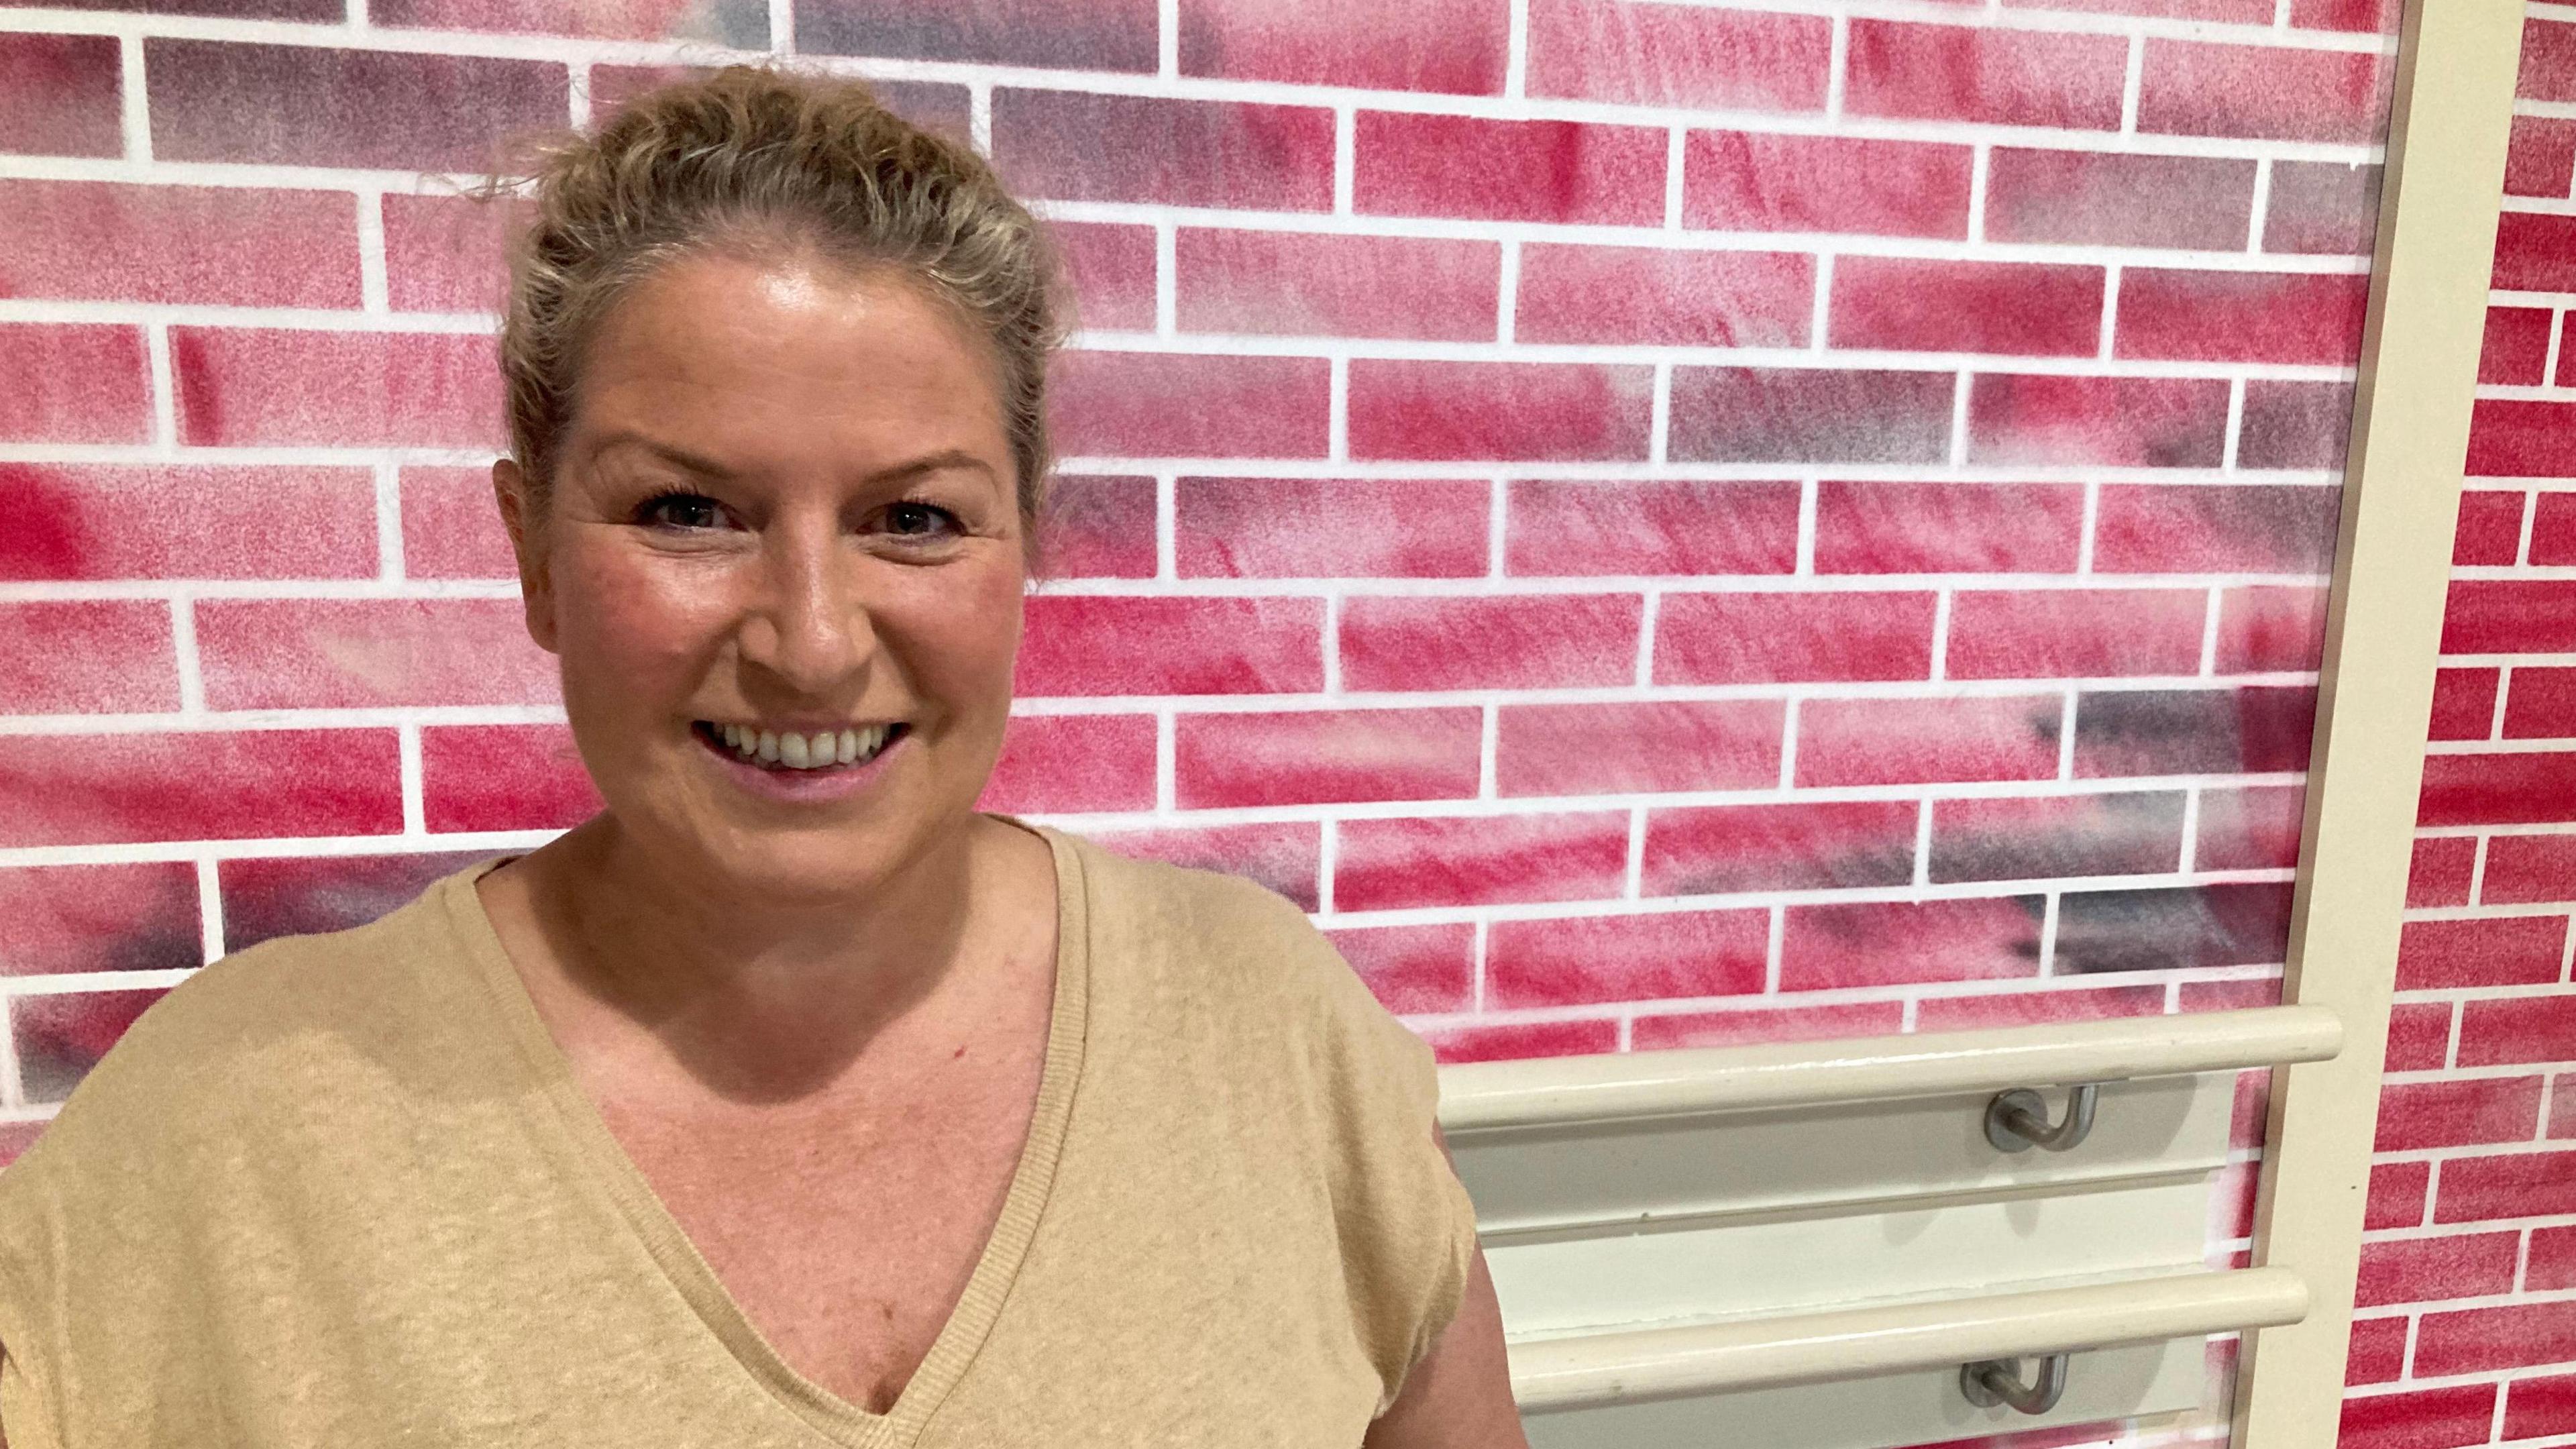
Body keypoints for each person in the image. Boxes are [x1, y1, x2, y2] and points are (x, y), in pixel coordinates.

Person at [0, 67, 1529, 1448]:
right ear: (531, 550)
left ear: (1029, 550)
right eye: (687, 512)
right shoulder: (222, 1136)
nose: (809, 640)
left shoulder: (1270, 1033)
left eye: (913, 519)